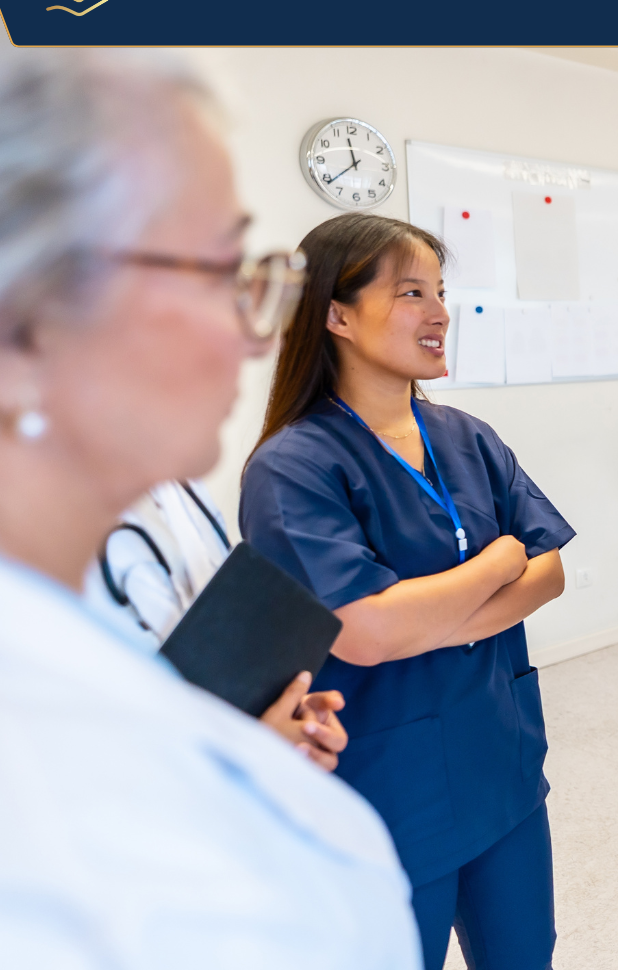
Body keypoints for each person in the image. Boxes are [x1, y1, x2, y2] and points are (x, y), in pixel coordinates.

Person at [0, 0, 417, 965]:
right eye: (221, 270)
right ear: (13, 325)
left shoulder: (151, 513)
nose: (255, 327)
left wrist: (237, 750)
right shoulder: (2, 839)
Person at [240, 212, 573, 970]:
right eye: (412, 292)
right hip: (385, 793)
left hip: (502, 770)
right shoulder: (292, 468)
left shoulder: (470, 437)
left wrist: (432, 615)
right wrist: (495, 566)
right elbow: (366, 634)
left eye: (441, 291)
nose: (440, 312)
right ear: (337, 314)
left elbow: (549, 570)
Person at [87, 478, 351, 769]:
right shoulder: (54, 545)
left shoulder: (182, 489)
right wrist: (253, 751)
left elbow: (219, 649)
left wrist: (285, 712)